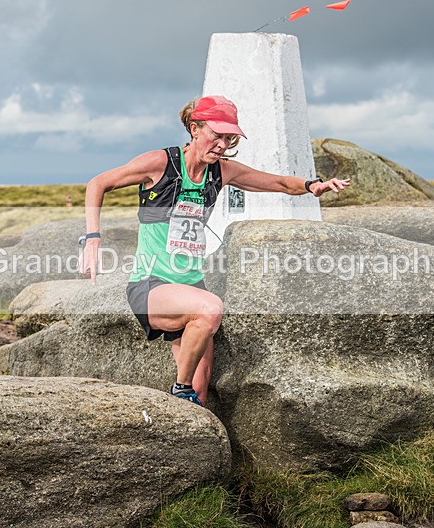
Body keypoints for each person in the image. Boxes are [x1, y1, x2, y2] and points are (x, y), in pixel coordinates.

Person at [79, 95, 349, 406]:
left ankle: (186, 429)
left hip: (191, 285)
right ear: (194, 129)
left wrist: (312, 185)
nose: (222, 144)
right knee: (209, 311)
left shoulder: (222, 172)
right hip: (152, 285)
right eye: (216, 135)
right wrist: (93, 237)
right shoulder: (160, 163)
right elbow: (97, 184)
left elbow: (277, 182)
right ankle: (178, 388)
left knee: (201, 392)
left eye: (229, 137)